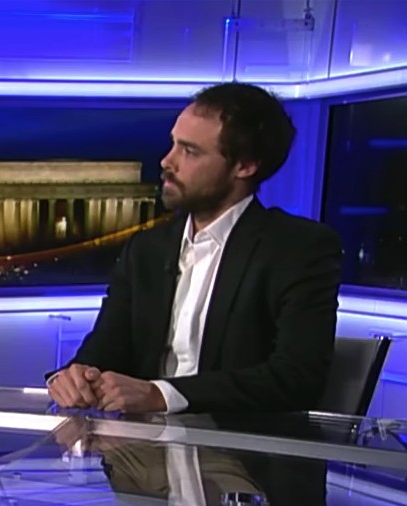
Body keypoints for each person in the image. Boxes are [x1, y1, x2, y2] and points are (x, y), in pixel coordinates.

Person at [47, 82, 342, 414]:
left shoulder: (298, 249)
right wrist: (75, 377)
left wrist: (162, 395)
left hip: (241, 442)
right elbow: (104, 351)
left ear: (245, 165)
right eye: (173, 143)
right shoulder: (147, 249)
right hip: (138, 442)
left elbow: (295, 379)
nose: (166, 161)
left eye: (189, 151)